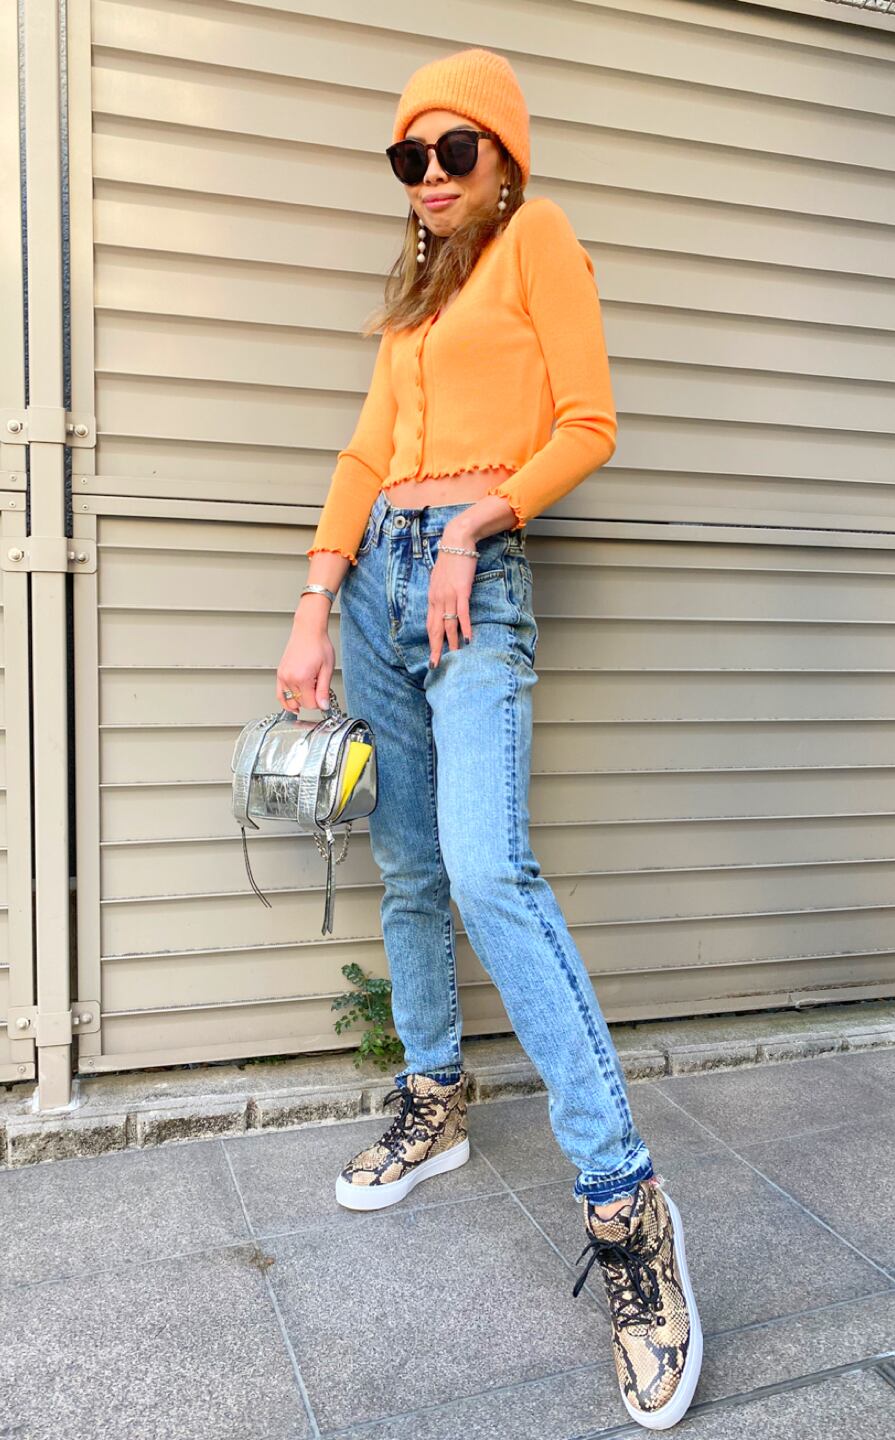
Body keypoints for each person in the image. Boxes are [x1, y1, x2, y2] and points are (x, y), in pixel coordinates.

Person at [276, 46, 702, 1431]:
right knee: (408, 867)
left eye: (455, 150)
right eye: (411, 156)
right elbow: (363, 457)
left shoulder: (538, 240)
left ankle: (627, 1209)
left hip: (474, 581)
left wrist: (473, 523)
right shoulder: (414, 300)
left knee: (486, 871)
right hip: (376, 590)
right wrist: (315, 602)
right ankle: (434, 1095)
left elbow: (589, 424)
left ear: (504, 159)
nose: (432, 175)